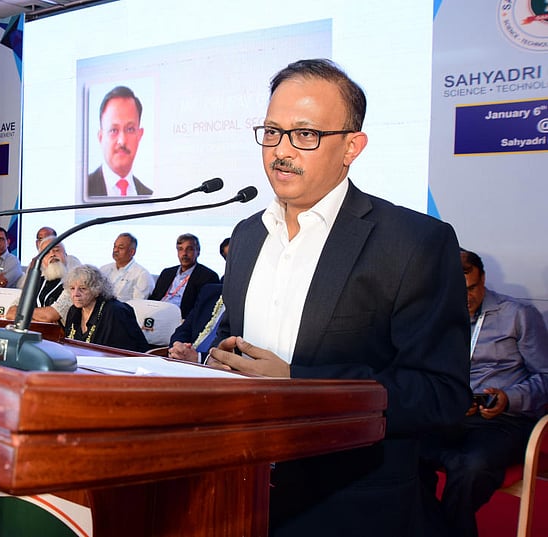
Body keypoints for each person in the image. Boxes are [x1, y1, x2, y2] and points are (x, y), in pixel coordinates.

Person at [206, 59, 470, 536]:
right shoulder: (246, 236)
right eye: (272, 131)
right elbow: (236, 340)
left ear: (352, 146)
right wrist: (211, 359)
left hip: (349, 507)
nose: (280, 152)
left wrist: (297, 383)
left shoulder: (412, 242)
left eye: (304, 134)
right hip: (235, 493)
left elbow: (440, 396)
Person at [419, 249, 548, 537]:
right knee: (401, 453)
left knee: (470, 465)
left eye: (473, 288)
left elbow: (546, 378)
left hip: (505, 421)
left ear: (483, 279)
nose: (466, 298)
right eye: (457, 290)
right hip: (453, 418)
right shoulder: (436, 320)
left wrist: (507, 398)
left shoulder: (517, 315)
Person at [63, 264, 149, 353]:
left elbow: (125, 352)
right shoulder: (74, 311)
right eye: (72, 288)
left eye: (83, 288)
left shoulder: (115, 311)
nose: (75, 294)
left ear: (97, 290)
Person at [86, 86, 152, 198]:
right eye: (113, 130)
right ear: (101, 137)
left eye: (130, 129)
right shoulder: (84, 188)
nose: (122, 141)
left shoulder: (149, 194)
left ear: (139, 135)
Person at [148, 233, 219, 318]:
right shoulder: (167, 273)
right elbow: (154, 298)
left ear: (198, 251)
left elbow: (202, 309)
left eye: (189, 249)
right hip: (158, 314)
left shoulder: (208, 276)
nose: (184, 253)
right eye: (180, 249)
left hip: (181, 318)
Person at [7, 236, 71, 322]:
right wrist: (39, 315)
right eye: (47, 252)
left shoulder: (73, 283)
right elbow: (10, 312)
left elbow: (50, 315)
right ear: (41, 260)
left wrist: (23, 314)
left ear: (66, 255)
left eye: (56, 250)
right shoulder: (35, 282)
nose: (52, 254)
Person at [99, 233, 154, 301]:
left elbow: (138, 304)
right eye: (114, 246)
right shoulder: (104, 269)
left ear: (132, 252)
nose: (115, 250)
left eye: (120, 247)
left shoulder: (142, 274)